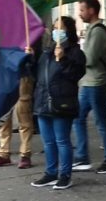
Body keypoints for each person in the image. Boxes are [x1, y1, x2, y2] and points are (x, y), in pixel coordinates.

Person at [30, 16, 86, 189]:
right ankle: (51, 172)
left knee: (62, 140)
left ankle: (65, 174)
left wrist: (63, 60)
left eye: (60, 28)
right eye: (54, 28)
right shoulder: (48, 51)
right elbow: (38, 75)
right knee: (48, 142)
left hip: (62, 102)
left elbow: (75, 74)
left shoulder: (75, 52)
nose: (56, 31)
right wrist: (30, 59)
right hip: (43, 102)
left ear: (68, 30)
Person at [71, 0, 106, 174]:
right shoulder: (91, 29)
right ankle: (82, 156)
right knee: (78, 117)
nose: (80, 13)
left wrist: (76, 55)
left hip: (97, 82)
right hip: (88, 82)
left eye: (82, 10)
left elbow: (90, 59)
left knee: (101, 121)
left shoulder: (98, 31)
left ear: (91, 10)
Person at [0, 38, 38, 169]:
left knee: (24, 116)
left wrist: (30, 57)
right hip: (5, 74)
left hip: (22, 75)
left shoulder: (26, 33)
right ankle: (4, 153)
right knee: (4, 116)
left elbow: (34, 62)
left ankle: (25, 154)